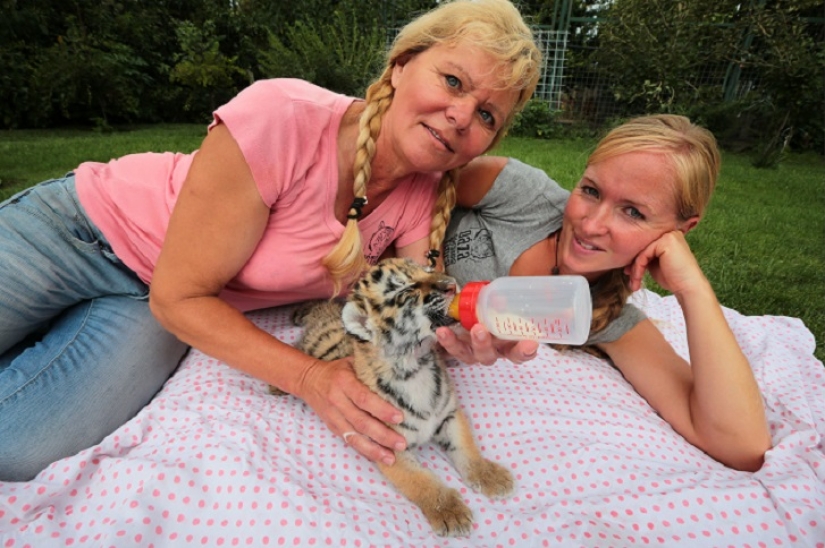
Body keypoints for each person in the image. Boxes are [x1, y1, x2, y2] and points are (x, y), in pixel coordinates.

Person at [0, 0, 541, 481]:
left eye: (487, 115)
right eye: (453, 81)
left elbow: (420, 309)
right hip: (83, 230)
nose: (462, 114)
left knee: (18, 449)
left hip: (153, 305)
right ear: (400, 66)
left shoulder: (424, 195)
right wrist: (310, 378)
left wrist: (465, 337)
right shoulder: (282, 114)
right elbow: (182, 292)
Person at [437, 114, 772, 472]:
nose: (592, 225)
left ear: (680, 230)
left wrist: (693, 288)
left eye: (633, 212)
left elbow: (742, 445)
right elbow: (412, 188)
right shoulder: (520, 195)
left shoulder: (605, 316)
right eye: (591, 191)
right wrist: (432, 274)